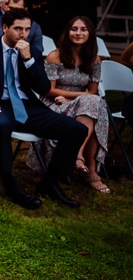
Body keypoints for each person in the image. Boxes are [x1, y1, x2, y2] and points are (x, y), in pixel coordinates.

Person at [0, 8, 87, 209]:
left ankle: (49, 183)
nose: (23, 34)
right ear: (4, 28)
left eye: (27, 29)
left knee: (77, 129)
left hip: (26, 106)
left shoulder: (32, 52)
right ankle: (9, 184)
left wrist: (29, 60)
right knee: (1, 125)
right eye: (18, 29)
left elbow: (44, 88)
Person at [28, 16, 110, 192]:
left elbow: (93, 91)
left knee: (95, 104)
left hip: (80, 104)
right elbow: (49, 90)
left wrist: (76, 99)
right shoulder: (55, 56)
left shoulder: (94, 59)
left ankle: (81, 158)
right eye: (74, 29)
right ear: (67, 32)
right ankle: (88, 167)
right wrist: (79, 96)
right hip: (54, 103)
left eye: (83, 29)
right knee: (94, 104)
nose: (78, 33)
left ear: (90, 33)